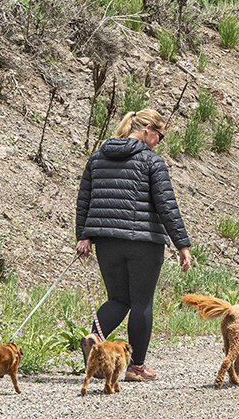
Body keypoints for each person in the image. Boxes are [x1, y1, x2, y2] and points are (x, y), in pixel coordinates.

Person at [76, 108, 192, 382]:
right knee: (141, 303)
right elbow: (166, 206)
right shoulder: (152, 162)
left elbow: (84, 199)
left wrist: (83, 236)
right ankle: (136, 367)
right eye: (160, 136)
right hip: (143, 242)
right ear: (148, 130)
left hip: (106, 241)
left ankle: (95, 340)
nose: (159, 142)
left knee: (118, 299)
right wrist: (182, 244)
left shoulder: (97, 157)